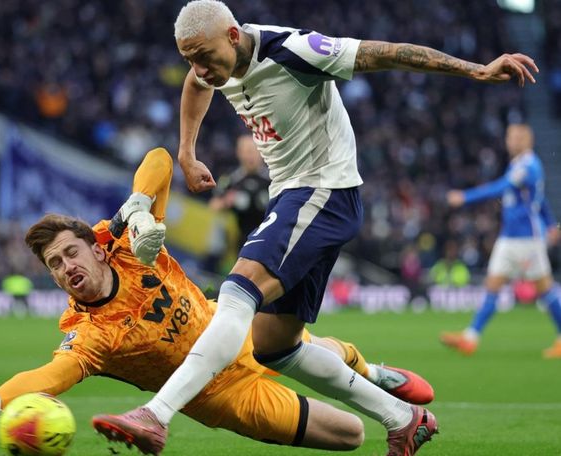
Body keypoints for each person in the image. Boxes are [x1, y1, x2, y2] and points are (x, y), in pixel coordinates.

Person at [100, 1, 539, 454]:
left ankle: (156, 415)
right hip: (294, 196)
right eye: (189, 58)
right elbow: (196, 84)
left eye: (204, 56)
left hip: (323, 192)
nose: (199, 68)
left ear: (232, 36)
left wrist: (475, 70)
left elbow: (388, 52)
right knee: (274, 345)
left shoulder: (297, 51)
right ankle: (404, 419)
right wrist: (187, 152)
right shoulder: (215, 64)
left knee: (236, 293)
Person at [0, 148, 434, 452]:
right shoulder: (89, 334)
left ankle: (369, 371)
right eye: (55, 264)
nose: (67, 267)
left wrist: (136, 210)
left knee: (289, 345)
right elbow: (51, 377)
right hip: (224, 398)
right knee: (350, 435)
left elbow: (159, 160)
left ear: (97, 248)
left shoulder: (128, 243)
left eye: (71, 253)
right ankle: (374, 390)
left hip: (230, 330)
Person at [440, 124, 561, 357]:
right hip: (509, 237)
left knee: (544, 288)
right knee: (492, 285)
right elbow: (539, 199)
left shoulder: (528, 165)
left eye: (517, 137)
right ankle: (470, 338)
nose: (511, 141)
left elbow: (501, 187)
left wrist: (465, 197)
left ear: (528, 140)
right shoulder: (517, 164)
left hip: (527, 239)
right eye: (510, 137)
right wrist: (550, 223)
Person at [209, 134, 270, 253]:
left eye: (253, 151)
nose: (250, 156)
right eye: (246, 151)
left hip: (268, 239)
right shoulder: (230, 178)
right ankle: (214, 256)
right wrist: (226, 201)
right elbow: (213, 205)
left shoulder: (273, 179)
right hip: (241, 237)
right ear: (239, 153)